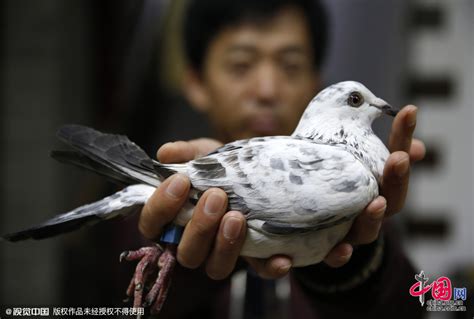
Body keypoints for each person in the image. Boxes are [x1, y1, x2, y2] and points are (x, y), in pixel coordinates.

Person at [138, 0, 426, 317]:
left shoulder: (371, 210)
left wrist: (350, 247)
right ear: (194, 82)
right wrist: (181, 256)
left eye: (290, 66)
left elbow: (418, 306)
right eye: (241, 65)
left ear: (317, 83)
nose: (267, 90)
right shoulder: (141, 218)